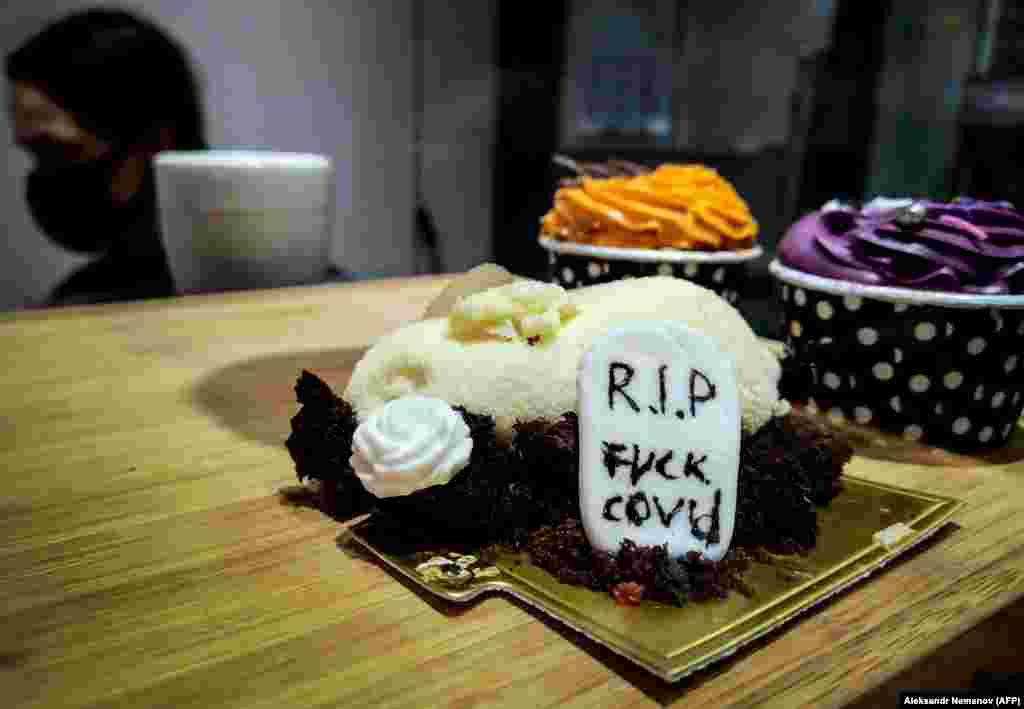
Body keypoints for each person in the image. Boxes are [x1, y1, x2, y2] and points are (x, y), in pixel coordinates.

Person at [6, 8, 206, 306]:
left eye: (56, 150)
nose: (45, 175)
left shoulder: (245, 291)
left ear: (153, 141)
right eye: (35, 155)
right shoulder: (82, 299)